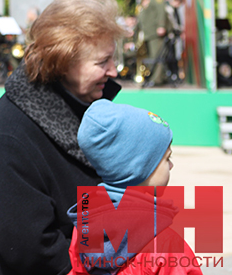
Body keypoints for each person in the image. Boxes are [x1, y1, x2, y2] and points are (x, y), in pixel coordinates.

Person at [0, 0, 126, 275]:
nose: (114, 70)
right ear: (62, 60)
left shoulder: (85, 106)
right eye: (103, 61)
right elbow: (30, 248)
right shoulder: (11, 135)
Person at [67, 100, 200, 274]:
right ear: (138, 168)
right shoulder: (166, 246)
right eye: (167, 158)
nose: (171, 165)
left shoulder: (85, 225)